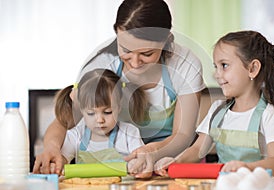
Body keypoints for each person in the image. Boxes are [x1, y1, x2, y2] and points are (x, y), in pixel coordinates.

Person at [33, 0, 206, 178]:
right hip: (120, 170)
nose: (135, 62)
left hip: (169, 164)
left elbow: (183, 134)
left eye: (147, 54)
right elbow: (65, 120)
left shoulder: (185, 65)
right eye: (125, 50)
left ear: (166, 39)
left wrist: (152, 153)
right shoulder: (100, 65)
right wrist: (52, 148)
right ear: (116, 34)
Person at [154, 30, 274, 176]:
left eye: (224, 65)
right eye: (216, 67)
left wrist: (246, 167)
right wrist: (176, 161)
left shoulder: (270, 115)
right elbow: (197, 150)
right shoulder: (217, 110)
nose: (217, 74)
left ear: (252, 69)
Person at [46, 69, 146, 172]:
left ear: (119, 107)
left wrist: (135, 164)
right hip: (85, 187)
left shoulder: (129, 133)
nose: (100, 120)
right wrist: (56, 166)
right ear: (81, 110)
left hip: (118, 188)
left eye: (107, 112)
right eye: (91, 113)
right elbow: (62, 159)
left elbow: (141, 159)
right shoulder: (76, 135)